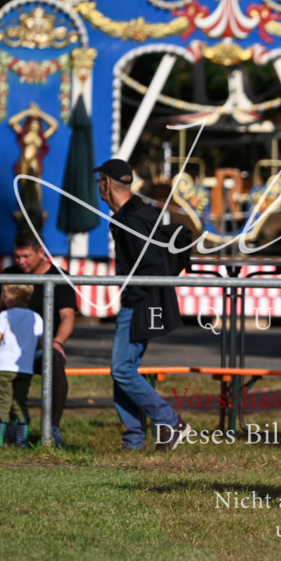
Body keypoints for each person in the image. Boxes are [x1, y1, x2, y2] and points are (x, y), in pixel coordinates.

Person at [95, 158, 190, 451]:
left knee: (122, 369)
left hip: (141, 301)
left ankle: (171, 422)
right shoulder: (139, 212)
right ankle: (134, 439)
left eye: (99, 181)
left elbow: (150, 263)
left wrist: (134, 295)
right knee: (125, 368)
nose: (98, 187)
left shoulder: (132, 218)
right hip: (147, 298)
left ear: (107, 183)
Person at [0, 229, 77, 446]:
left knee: (55, 362)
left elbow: (68, 317)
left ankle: (52, 428)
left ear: (41, 252)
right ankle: (12, 419)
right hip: (8, 346)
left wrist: (57, 342)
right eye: (17, 256)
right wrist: (2, 302)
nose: (20, 261)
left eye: (26, 256)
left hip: (41, 345)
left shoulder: (60, 276)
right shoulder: (9, 274)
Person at [0, 284, 42, 447]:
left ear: (16, 297)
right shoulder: (36, 317)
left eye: (5, 296)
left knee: (3, 403)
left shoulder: (5, 315)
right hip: (24, 368)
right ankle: (22, 440)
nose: (2, 299)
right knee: (20, 403)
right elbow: (40, 343)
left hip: (4, 367)